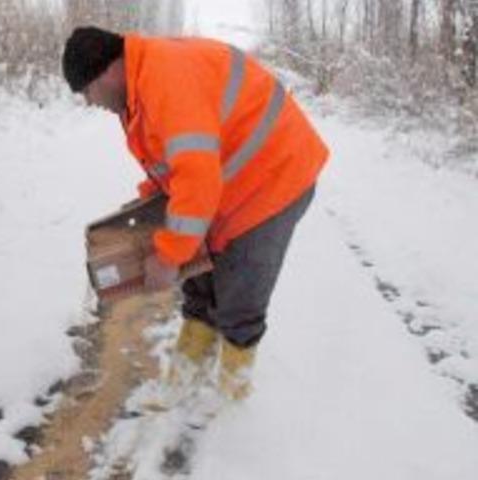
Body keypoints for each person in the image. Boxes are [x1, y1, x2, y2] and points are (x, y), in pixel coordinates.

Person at [62, 27, 328, 400]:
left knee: (239, 295)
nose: (90, 102)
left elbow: (196, 178)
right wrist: (148, 213)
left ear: (105, 72)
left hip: (274, 177)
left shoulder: (164, 79)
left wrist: (169, 255)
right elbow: (173, 167)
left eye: (87, 92)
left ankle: (232, 401)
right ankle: (187, 376)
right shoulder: (138, 86)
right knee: (199, 283)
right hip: (232, 178)